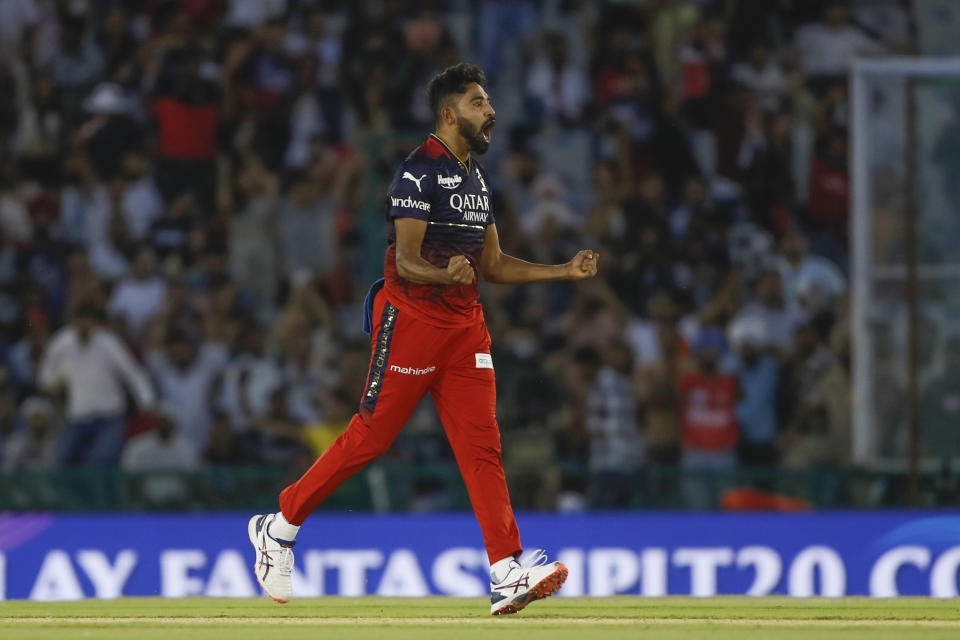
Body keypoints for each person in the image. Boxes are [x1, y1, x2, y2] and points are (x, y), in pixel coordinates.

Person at [247, 63, 598, 615]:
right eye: (480, 103)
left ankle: (506, 568)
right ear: (448, 112)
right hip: (412, 322)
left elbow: (495, 265)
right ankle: (280, 526)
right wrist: (446, 274)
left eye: (488, 102)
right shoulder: (418, 172)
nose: (491, 112)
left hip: (465, 330)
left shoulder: (477, 180)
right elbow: (407, 262)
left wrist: (562, 271)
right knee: (371, 438)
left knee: (482, 445)